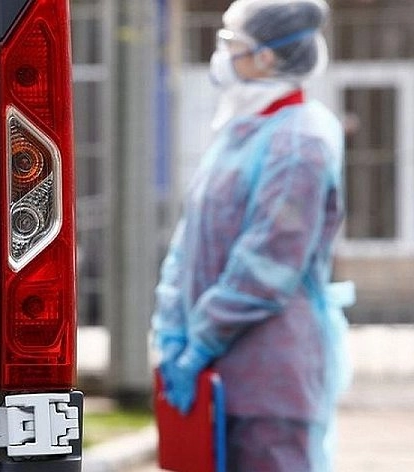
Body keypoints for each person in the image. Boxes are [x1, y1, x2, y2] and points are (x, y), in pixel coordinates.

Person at [151, 0, 354, 470]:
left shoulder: (301, 141)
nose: (222, 54)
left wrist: (201, 340)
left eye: (232, 43)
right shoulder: (239, 134)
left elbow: (268, 265)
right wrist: (172, 333)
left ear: (266, 56)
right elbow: (188, 242)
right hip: (216, 372)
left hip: (272, 378)